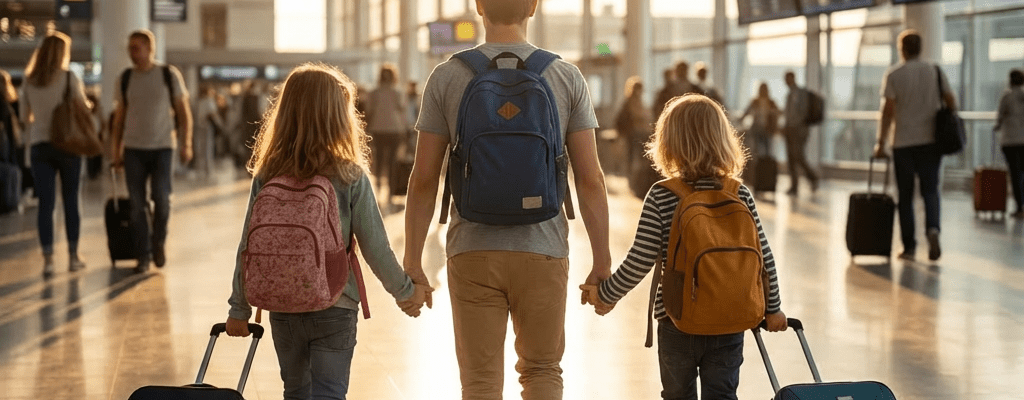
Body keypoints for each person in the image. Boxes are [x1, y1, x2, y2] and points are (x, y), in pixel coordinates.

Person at [405, 0, 611, 398]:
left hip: (472, 250)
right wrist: (601, 263)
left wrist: (413, 262)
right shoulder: (565, 76)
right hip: (544, 248)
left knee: (480, 381)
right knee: (542, 371)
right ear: (532, 7)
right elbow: (591, 180)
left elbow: (423, 179)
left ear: (479, 6)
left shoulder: (447, 77)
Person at [224, 63, 431, 400]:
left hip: (283, 305)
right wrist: (405, 292)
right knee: (329, 394)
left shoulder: (268, 172)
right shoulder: (348, 174)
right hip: (336, 301)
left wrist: (239, 309)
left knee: (295, 391)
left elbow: (249, 244)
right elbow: (375, 247)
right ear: (339, 116)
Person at [588, 94, 787, 400]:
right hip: (729, 319)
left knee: (677, 395)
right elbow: (764, 258)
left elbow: (639, 262)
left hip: (676, 319)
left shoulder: (662, 195)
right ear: (723, 139)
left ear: (668, 142)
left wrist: (606, 294)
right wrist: (772, 308)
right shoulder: (739, 193)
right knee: (722, 395)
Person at [873, 29, 955, 262]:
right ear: (920, 47)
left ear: (902, 49)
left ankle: (909, 247)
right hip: (930, 141)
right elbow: (951, 101)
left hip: (903, 142)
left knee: (906, 196)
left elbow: (887, 111)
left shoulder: (894, 74)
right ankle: (933, 230)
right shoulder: (935, 71)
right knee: (931, 190)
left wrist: (880, 142)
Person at [18, 32, 89, 278]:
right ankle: (73, 257)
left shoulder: (29, 80)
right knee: (71, 200)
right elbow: (82, 108)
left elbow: (23, 117)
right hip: (68, 144)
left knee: (45, 205)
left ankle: (48, 260)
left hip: (40, 145)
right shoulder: (70, 78)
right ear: (62, 53)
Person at [364, 64, 408, 195]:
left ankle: (377, 188)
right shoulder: (398, 92)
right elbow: (402, 109)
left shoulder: (373, 93)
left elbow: (368, 111)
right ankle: (390, 190)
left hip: (377, 129)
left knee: (378, 160)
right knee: (392, 162)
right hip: (395, 130)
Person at [782, 71, 819, 195]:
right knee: (791, 158)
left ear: (793, 78)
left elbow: (802, 113)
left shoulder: (800, 93)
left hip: (798, 131)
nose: (786, 81)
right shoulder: (789, 94)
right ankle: (794, 186)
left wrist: (792, 125)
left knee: (798, 156)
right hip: (789, 130)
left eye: (787, 78)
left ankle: (813, 177)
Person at [994, 69, 1024, 219]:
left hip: (1010, 141)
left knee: (1015, 174)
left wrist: (997, 126)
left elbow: (999, 118)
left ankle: (1020, 207)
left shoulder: (1007, 96)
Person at [616, 76, 652, 176]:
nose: (639, 91)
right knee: (632, 158)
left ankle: (639, 179)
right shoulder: (628, 103)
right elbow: (623, 120)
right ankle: (633, 178)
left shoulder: (641, 102)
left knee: (642, 158)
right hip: (632, 134)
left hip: (642, 134)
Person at [740, 82, 781, 158]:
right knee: (756, 150)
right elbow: (746, 112)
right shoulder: (755, 102)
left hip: (768, 129)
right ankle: (758, 166)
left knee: (768, 151)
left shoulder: (771, 102)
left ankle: (765, 166)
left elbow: (777, 114)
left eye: (764, 89)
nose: (763, 91)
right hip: (756, 129)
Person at [194, 85, 225, 177]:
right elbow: (212, 114)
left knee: (200, 148)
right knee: (207, 148)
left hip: (199, 127)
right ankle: (207, 170)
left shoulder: (198, 102)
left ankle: (201, 169)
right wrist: (220, 125)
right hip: (207, 127)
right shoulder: (208, 101)